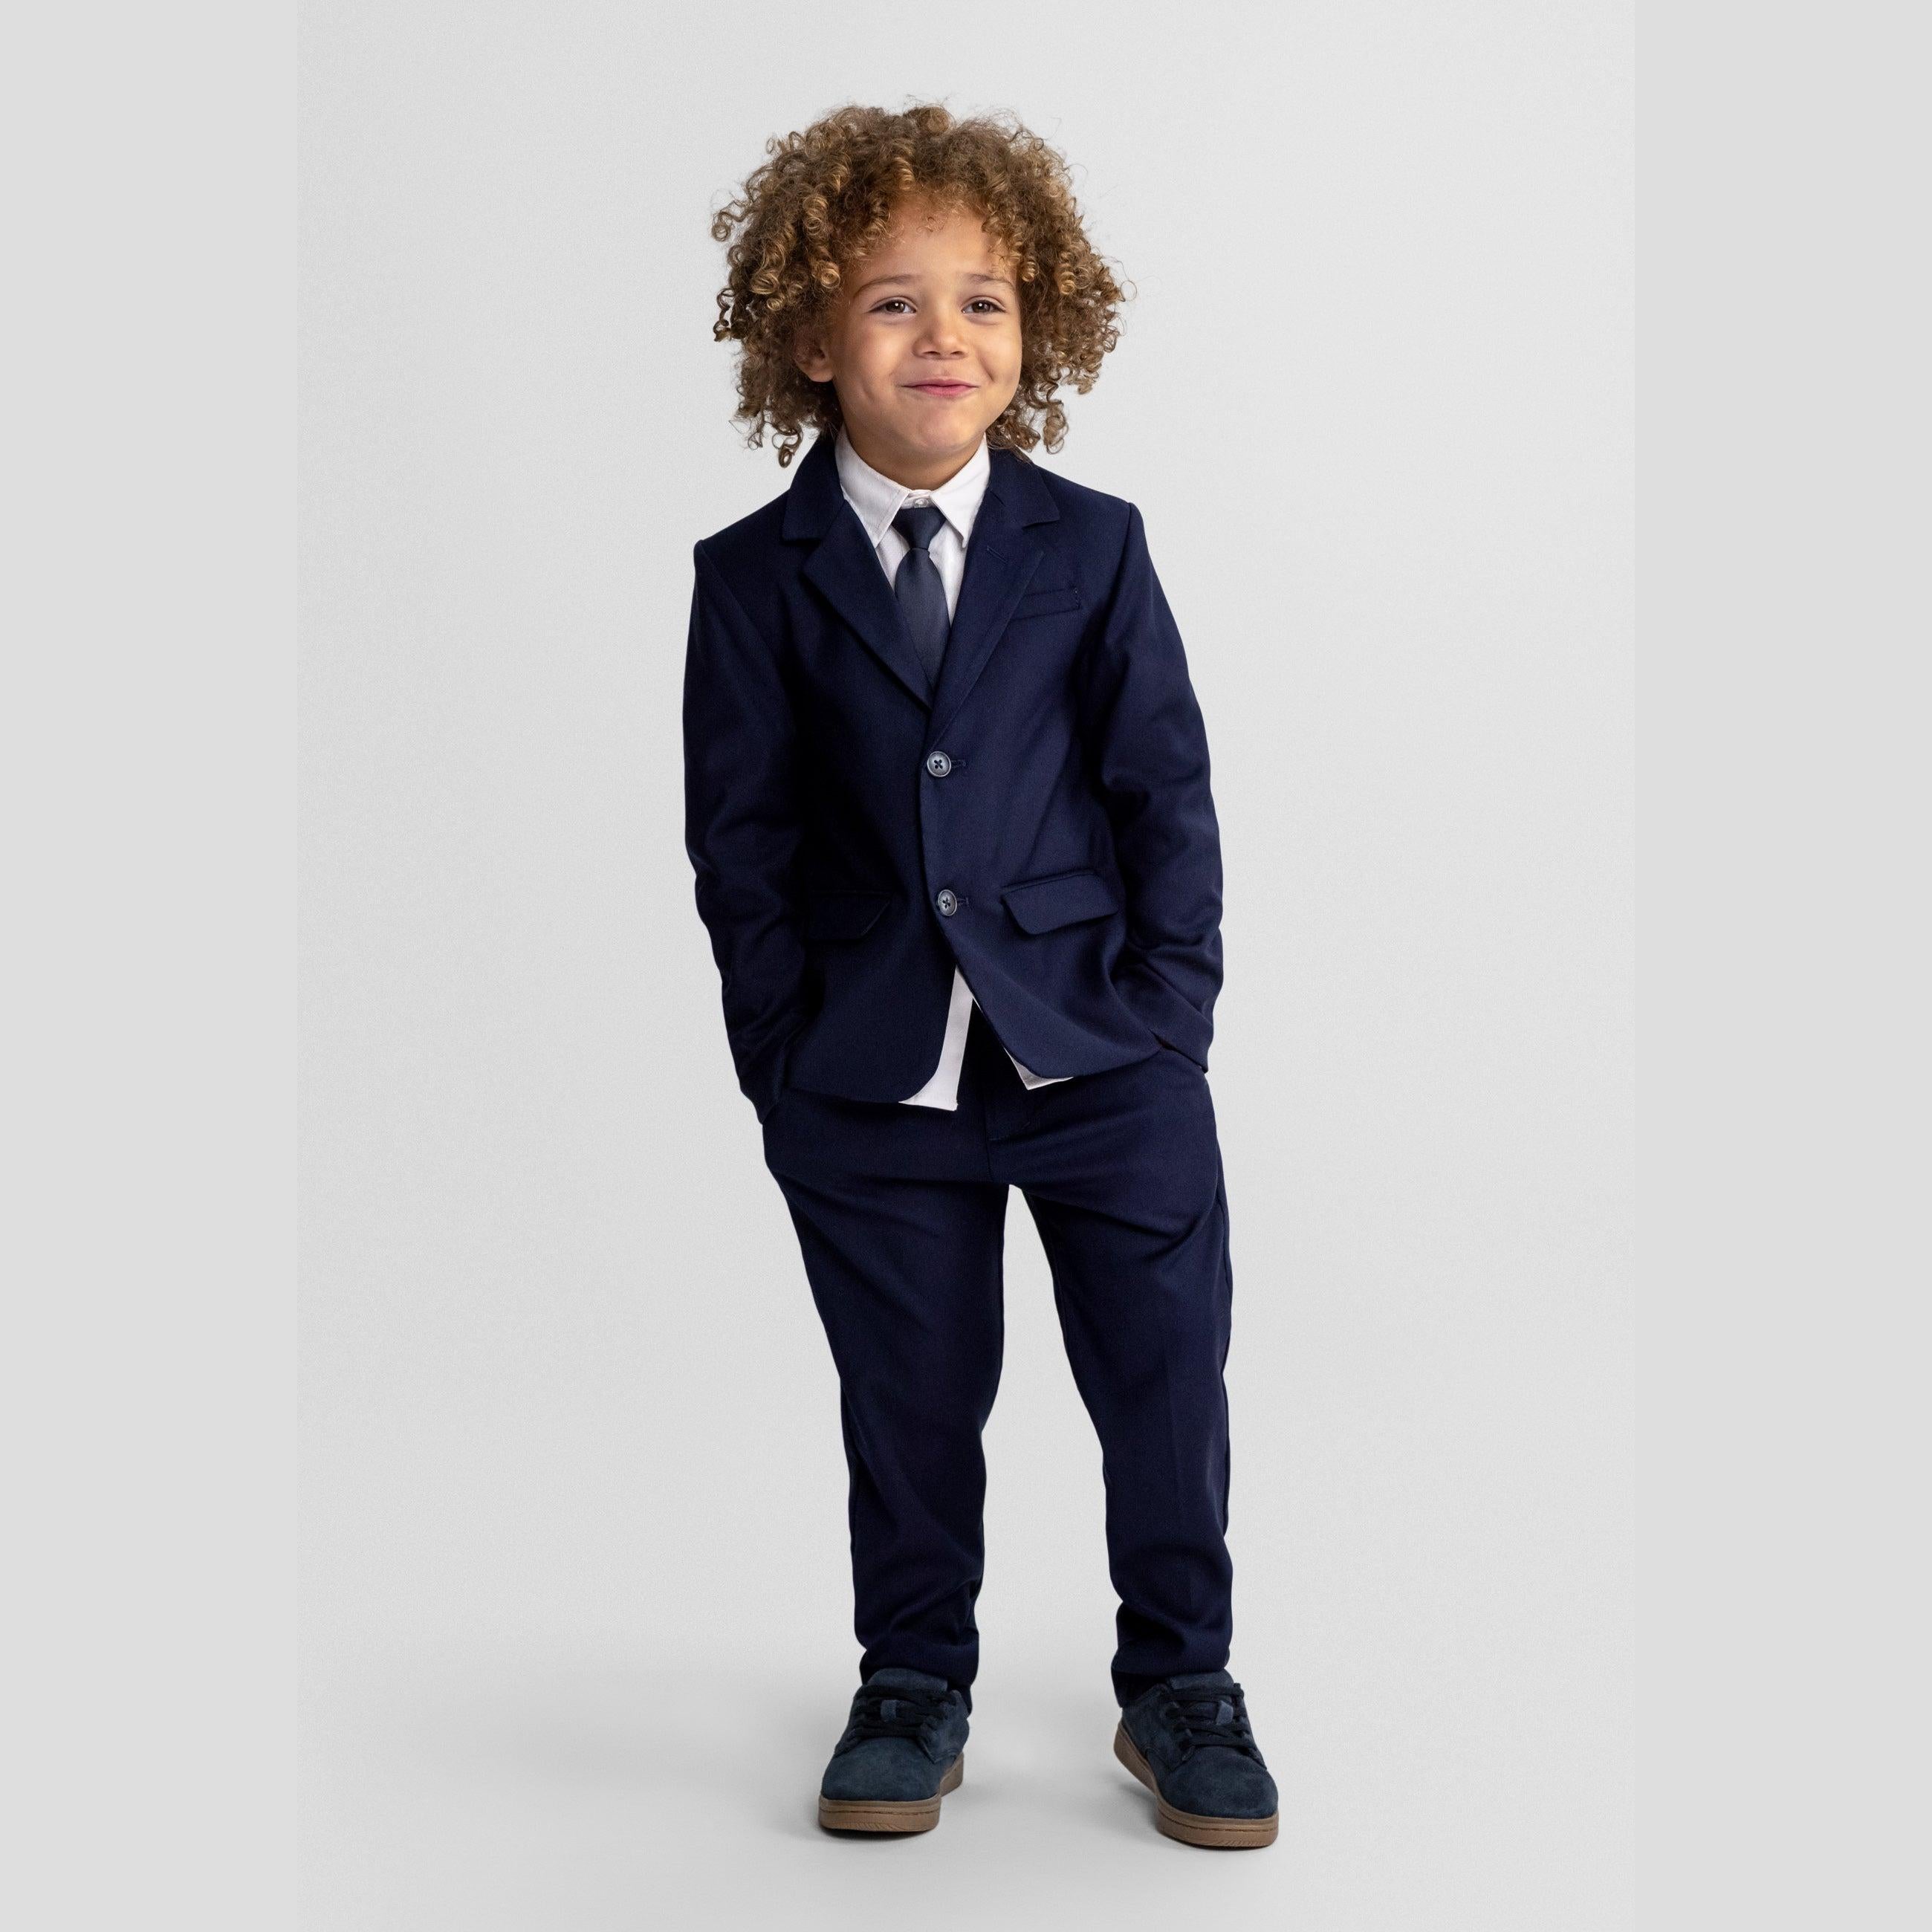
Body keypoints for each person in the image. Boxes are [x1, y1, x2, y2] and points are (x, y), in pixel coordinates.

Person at [683, 101, 1277, 1850]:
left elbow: (1162, 787)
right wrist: (782, 1058)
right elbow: (743, 843)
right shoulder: (751, 581)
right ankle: (911, 1678)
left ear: (1042, 331)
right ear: (807, 333)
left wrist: (1169, 1014)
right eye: (890, 301)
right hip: (871, 1081)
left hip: (1105, 1056)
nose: (944, 335)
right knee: (911, 1396)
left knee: (1165, 1377)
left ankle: (1180, 1685)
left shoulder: (1089, 547)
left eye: (987, 300)